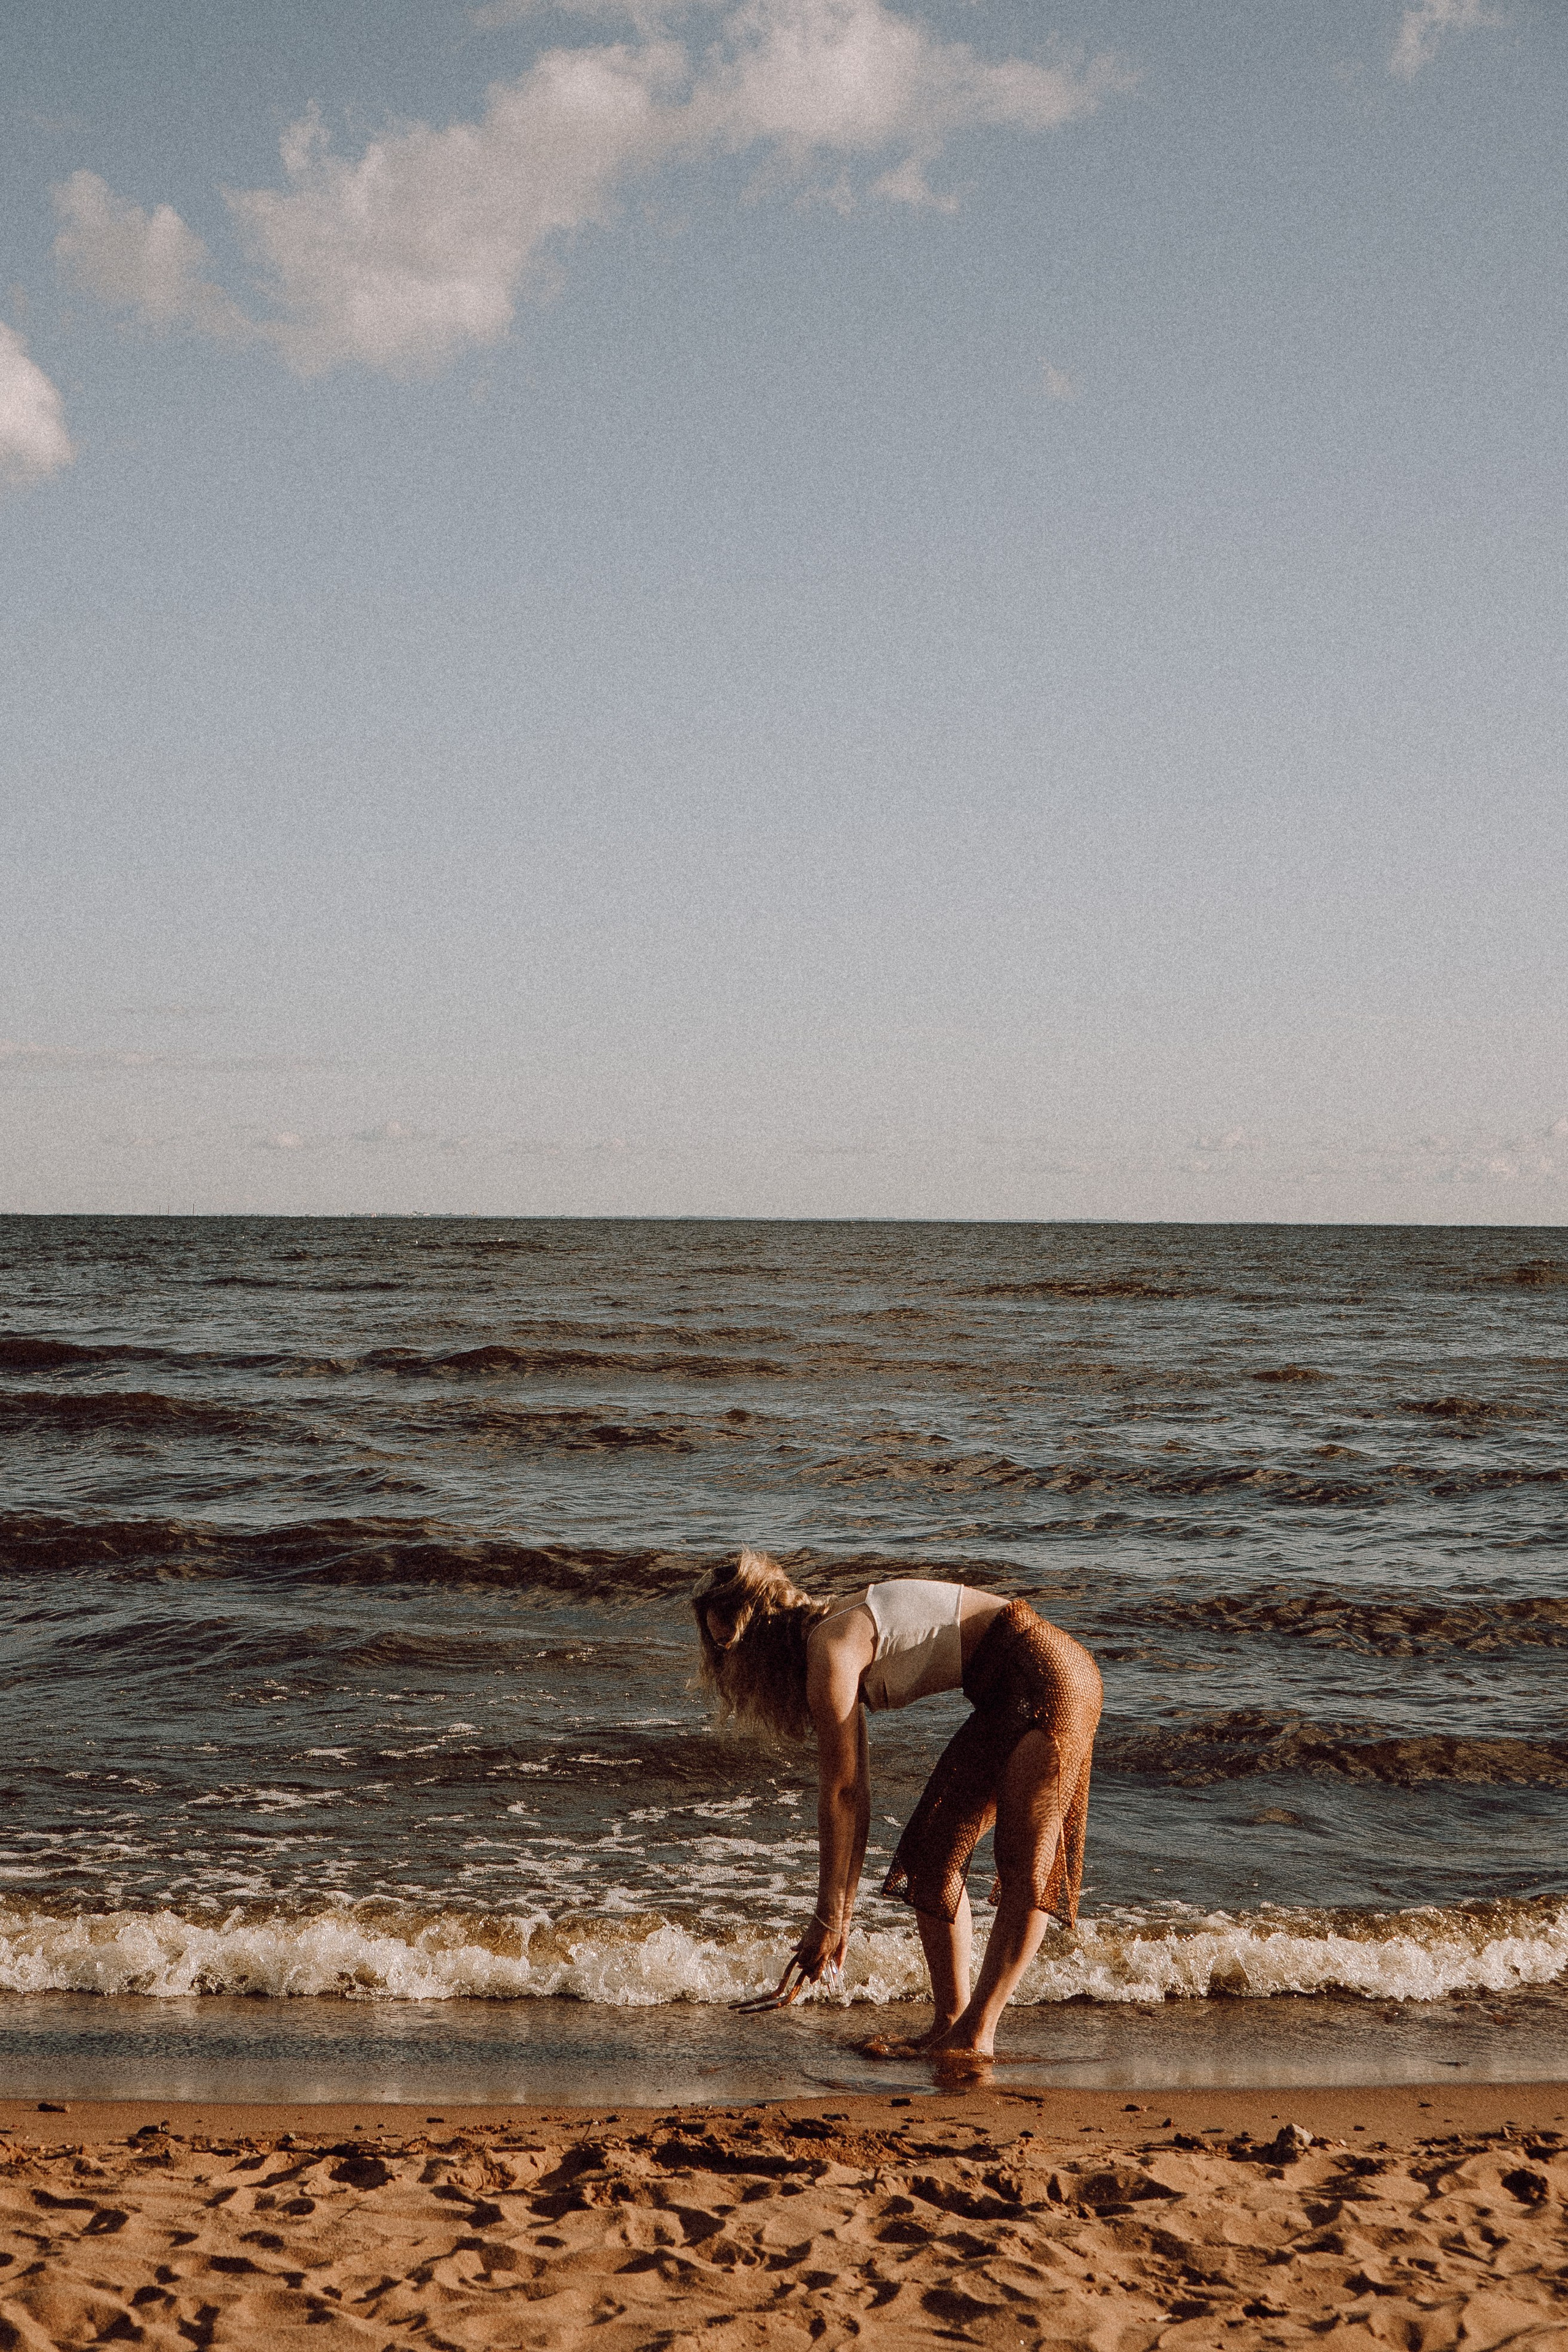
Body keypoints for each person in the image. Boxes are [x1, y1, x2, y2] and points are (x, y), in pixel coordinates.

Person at [692, 1549, 1101, 2069]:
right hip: (1009, 1690)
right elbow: (855, 1796)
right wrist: (837, 1919)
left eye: (733, 1647)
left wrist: (827, 1920)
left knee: (1025, 1864)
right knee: (932, 1856)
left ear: (762, 1630)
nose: (732, 1665)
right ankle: (949, 2024)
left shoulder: (831, 1646)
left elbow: (840, 1794)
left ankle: (978, 2034)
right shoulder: (833, 1642)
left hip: (1050, 1677)